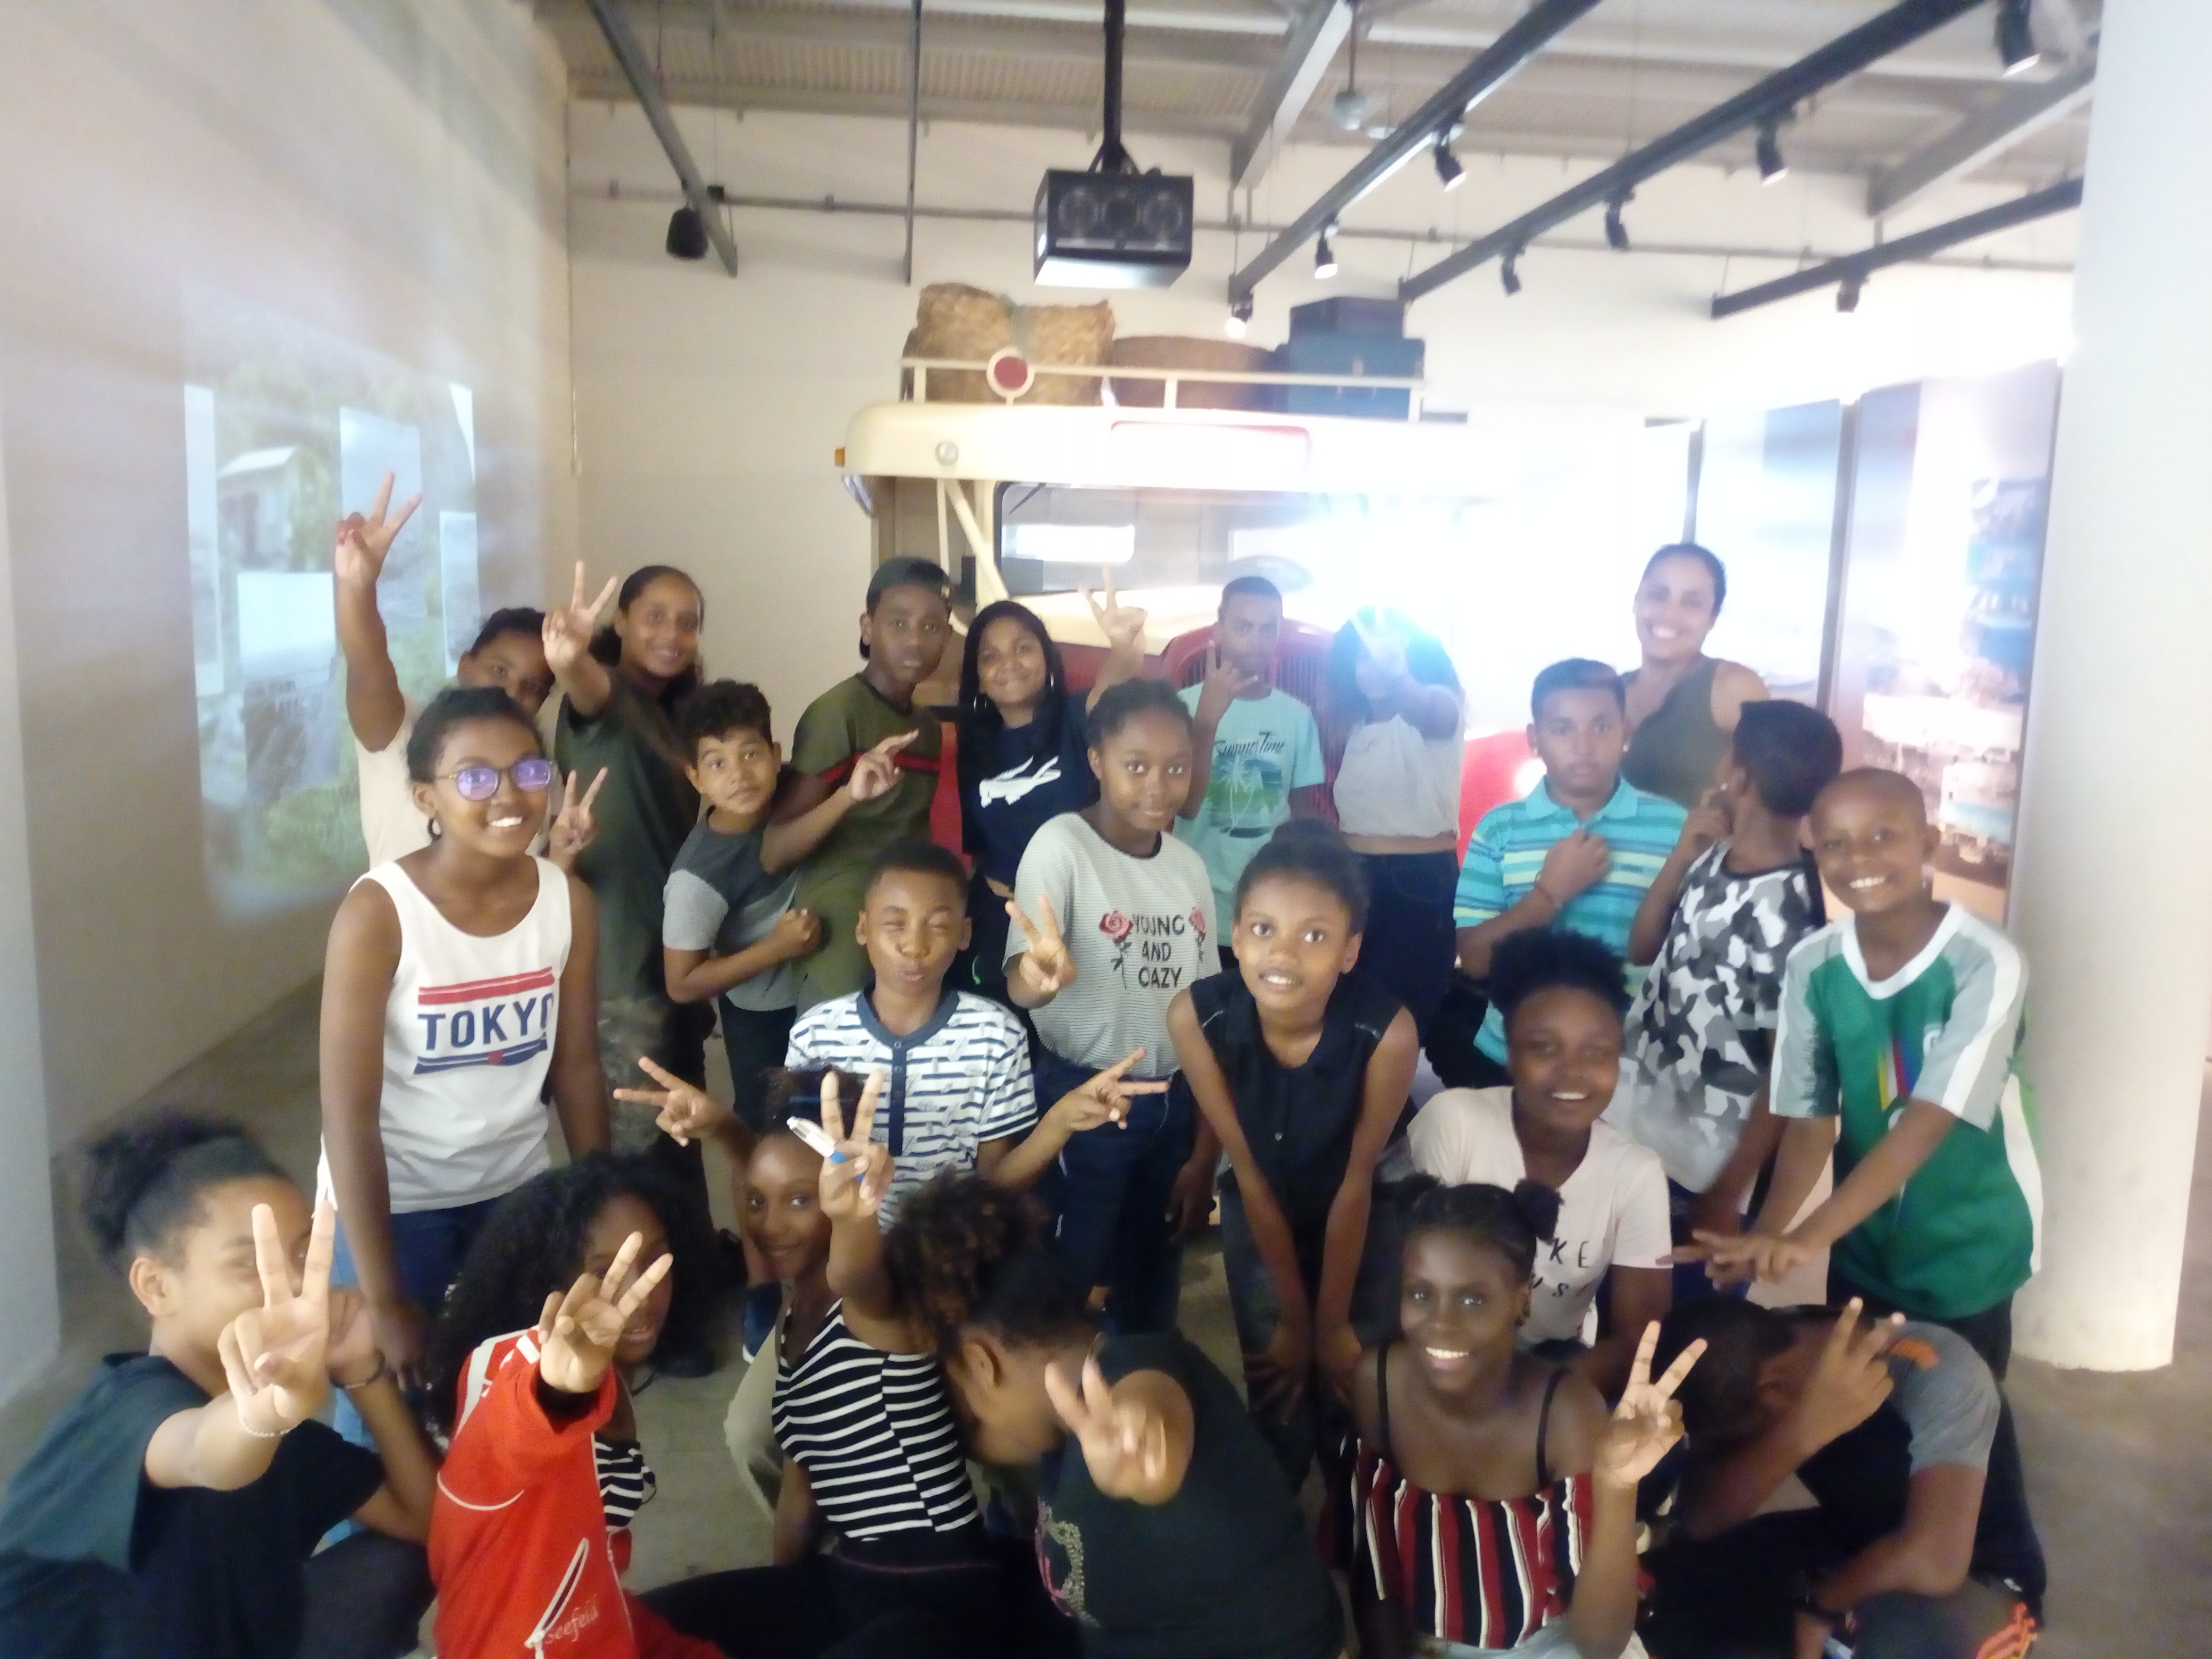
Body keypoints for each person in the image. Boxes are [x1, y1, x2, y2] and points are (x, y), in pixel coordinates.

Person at [639, 1071, 1150, 1659]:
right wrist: (785, 1592)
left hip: (935, 1577)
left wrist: (854, 1217)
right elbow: (801, 1497)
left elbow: (854, 1273)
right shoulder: (790, 1322)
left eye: (802, 1200)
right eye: (756, 1202)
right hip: (859, 1574)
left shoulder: (878, 1307)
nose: (770, 1223)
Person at [1694, 767, 2047, 1610]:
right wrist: (1770, 1233)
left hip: (1970, 1244)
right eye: (1837, 843)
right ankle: (1881, 1555)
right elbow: (1810, 1120)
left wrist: (1805, 1238)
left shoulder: (1985, 961)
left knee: (1956, 1408)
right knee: (1867, 1402)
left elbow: (1927, 1123)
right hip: (1866, 1241)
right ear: (1813, 849)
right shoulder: (1815, 963)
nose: (1859, 860)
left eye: (1884, 837)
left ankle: (1964, 1582)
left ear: (1930, 844)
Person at [0, 1114, 437, 1659]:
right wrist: (261, 1416)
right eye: (250, 1263)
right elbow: (204, 1452)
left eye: (303, 1254)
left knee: (405, 1559)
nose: (295, 1284)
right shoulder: (126, 1414)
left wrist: (361, 1373)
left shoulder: (286, 1430)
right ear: (156, 1287)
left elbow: (428, 1524)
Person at [884, 1172, 1347, 1659]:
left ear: (981, 1363)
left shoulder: (1136, 1371)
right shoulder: (1061, 1434)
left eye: (962, 1403)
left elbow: (1152, 1427)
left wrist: (1142, 1458)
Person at [318, 685, 610, 1410]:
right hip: (397, 1205)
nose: (509, 793)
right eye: (475, 777)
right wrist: (384, 1298)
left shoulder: (566, 902)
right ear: (426, 798)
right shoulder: (380, 912)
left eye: (528, 770)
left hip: (513, 1192)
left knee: (513, 1406)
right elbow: (349, 1114)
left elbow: (576, 1068)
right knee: (391, 1418)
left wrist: (598, 1207)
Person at [1330, 1178, 1703, 1659]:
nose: (1440, 1323)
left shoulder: (1564, 1415)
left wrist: (1617, 1486)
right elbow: (1374, 1561)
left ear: (1522, 1300)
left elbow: (1599, 1645)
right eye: (1420, 1294)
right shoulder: (1379, 1384)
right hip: (1429, 1645)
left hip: (1545, 1640)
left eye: (1472, 1299)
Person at [1168, 818, 1418, 1484]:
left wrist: (1329, 1325)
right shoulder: (1195, 1016)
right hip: (1260, 1179)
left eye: (1313, 936)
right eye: (1262, 929)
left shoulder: (1387, 1033)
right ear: (1235, 932)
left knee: (1354, 1369)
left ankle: (1355, 1495)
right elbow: (1248, 1172)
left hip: (1365, 1190)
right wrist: (1294, 1320)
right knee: (1275, 1363)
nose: (1281, 954)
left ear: (1349, 951)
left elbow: (1355, 1183)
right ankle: (1279, 1484)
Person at [424, 1158, 718, 1659]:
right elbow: (513, 1434)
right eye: (605, 1273)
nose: (641, 1295)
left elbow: (596, 1575)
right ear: (549, 1278)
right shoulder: (509, 1368)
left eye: (656, 1261)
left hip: (600, 1622)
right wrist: (561, 1388)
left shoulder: (615, 1371)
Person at [1644, 1298, 2041, 1659]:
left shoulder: (1937, 1370)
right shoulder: (1751, 1354)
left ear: (1773, 1391)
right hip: (1851, 1542)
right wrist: (1803, 1431)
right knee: (1667, 1584)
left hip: (1976, 1581)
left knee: (1895, 1642)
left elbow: (1936, 1560)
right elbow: (1701, 1520)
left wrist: (1817, 1605)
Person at [1608, 699, 1842, 1304]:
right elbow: (1641, 949)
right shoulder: (1713, 858)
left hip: (1704, 1172)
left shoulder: (1791, 914)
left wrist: (1728, 1191)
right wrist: (1680, 857)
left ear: (1737, 777)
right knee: (1614, 1297)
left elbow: (1785, 1076)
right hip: (1630, 1127)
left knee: (1679, 1318)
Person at [1006, 677, 1219, 1332]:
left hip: (1173, 1101)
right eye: (1136, 766)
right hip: (1087, 1095)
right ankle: (1058, 1388)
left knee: (1153, 1264)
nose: (1158, 785)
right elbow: (1019, 981)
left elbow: (1207, 1011)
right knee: (1073, 1270)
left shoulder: (1187, 867)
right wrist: (1039, 977)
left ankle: (1142, 1370)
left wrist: (1204, 1148)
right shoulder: (1061, 846)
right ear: (1097, 761)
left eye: (1176, 767)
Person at [1408, 930, 1672, 1394]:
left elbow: (1640, 1338)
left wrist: (1526, 1399)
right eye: (1544, 1048)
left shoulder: (1636, 1173)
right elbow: (1404, 1279)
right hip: (1441, 1342)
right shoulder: (1456, 1122)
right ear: (1510, 1054)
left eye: (1596, 1052)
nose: (1572, 1073)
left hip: (1547, 1367)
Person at [544, 563, 719, 1243]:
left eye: (687, 622)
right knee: (634, 1159)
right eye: (654, 616)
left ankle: (692, 1269)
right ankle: (636, 1286)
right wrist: (570, 656)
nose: (672, 634)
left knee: (681, 1138)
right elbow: (585, 684)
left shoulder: (677, 716)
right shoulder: (608, 697)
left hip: (675, 967)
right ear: (620, 623)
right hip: (619, 975)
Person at [661, 679, 912, 1136]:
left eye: (750, 754)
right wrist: (775, 949)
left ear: (777, 755)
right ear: (695, 777)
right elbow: (681, 983)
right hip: (759, 1013)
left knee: (831, 1115)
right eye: (717, 763)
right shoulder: (696, 878)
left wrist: (854, 790)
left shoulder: (797, 794)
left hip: (821, 989)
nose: (739, 775)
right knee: (765, 1126)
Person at [333, 470, 598, 868]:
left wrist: (564, 851)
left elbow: (542, 882)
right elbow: (368, 665)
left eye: (532, 686)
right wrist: (358, 587)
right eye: (499, 670)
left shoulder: (537, 772)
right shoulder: (401, 732)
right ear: (465, 665)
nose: (510, 692)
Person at [1448, 657, 1687, 1089]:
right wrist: (1548, 894)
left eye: (1601, 727)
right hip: (1515, 1054)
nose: (1583, 745)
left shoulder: (1674, 827)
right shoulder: (1499, 829)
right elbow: (1477, 960)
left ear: (1626, 733)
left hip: (1636, 1058)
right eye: (1562, 729)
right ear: (1535, 740)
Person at [953, 579, 1147, 1006]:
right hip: (1000, 915)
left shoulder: (1078, 717)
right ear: (979, 679)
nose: (1009, 663)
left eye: (1023, 648)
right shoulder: (975, 745)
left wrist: (1121, 647)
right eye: (991, 656)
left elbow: (1111, 690)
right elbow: (981, 848)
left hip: (1081, 912)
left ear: (1047, 658)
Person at [778, 557, 953, 1010]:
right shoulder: (838, 713)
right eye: (898, 623)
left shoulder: (927, 729)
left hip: (908, 926)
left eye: (931, 626)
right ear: (868, 627)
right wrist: (847, 797)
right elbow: (775, 849)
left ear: (947, 637)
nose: (915, 639)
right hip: (841, 929)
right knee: (836, 1055)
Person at [1324, 608, 1467, 1048]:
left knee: (1395, 1026)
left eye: (1386, 655)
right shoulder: (1357, 725)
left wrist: (1399, 675)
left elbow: (1426, 709)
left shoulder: (1440, 706)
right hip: (1352, 877)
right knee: (1346, 1020)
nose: (1376, 668)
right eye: (1363, 658)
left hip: (1415, 882)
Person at [1175, 574, 1327, 957]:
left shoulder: (1297, 717)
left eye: (1267, 628)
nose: (1256, 641)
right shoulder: (1180, 707)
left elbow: (1302, 813)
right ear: (1219, 630)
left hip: (1270, 909)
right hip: (1197, 905)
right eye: (1243, 627)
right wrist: (1206, 721)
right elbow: (1185, 807)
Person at [1619, 542, 1771, 810]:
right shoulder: (1609, 694)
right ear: (1636, 601)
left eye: (1692, 603)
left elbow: (1777, 799)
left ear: (1713, 618)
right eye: (1658, 595)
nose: (1670, 614)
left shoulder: (1733, 688)